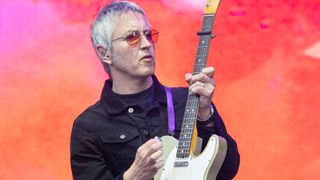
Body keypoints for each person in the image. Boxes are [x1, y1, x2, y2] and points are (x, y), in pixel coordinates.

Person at [70, 1, 240, 180]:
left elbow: (227, 170)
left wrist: (205, 115)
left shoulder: (187, 100)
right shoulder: (88, 127)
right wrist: (132, 177)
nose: (146, 44)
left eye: (148, 35)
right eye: (132, 37)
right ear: (105, 53)